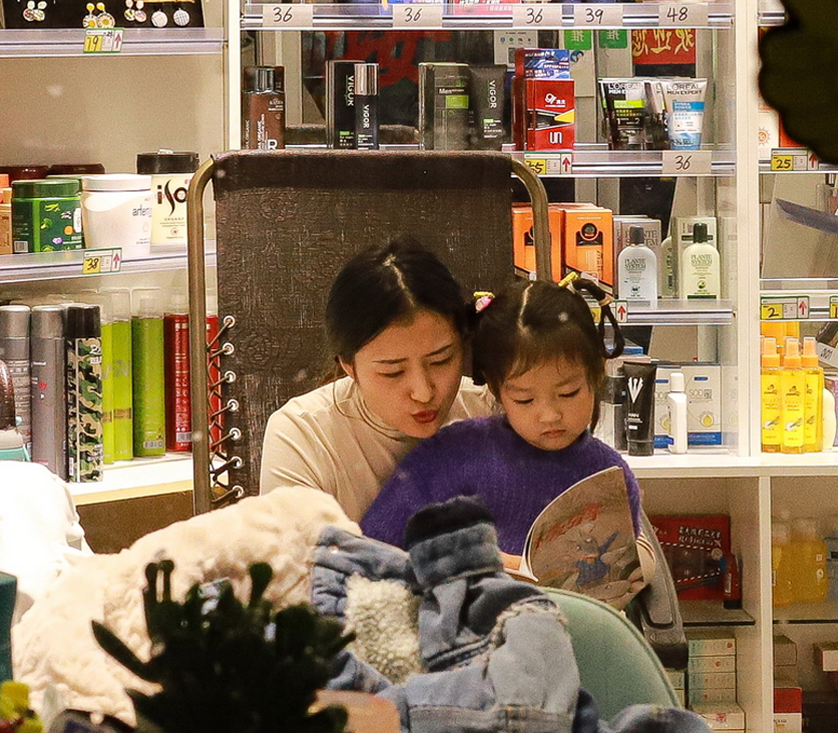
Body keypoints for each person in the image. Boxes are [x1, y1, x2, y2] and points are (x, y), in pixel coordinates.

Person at [360, 281, 644, 556]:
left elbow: (621, 565)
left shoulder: (609, 475)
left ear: (596, 374)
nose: (549, 415)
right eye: (524, 400)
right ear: (496, 389)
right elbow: (372, 551)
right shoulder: (454, 456)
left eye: (568, 393)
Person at [258, 234, 494, 523]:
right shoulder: (305, 435)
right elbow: (297, 550)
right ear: (348, 365)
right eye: (392, 372)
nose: (423, 392)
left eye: (441, 360)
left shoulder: (492, 410)